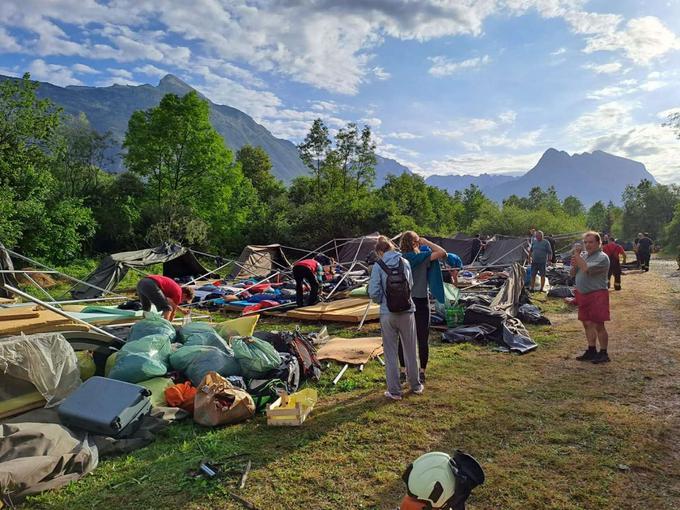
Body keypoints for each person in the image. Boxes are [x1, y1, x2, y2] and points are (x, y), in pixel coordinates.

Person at [368, 235, 424, 400]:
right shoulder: (404, 262)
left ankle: (394, 391)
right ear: (392, 247)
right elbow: (410, 285)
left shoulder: (378, 266)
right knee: (411, 349)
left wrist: (383, 301)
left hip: (388, 313)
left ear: (379, 251)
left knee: (391, 353)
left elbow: (373, 292)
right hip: (407, 311)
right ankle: (416, 385)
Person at [398, 232, 446, 384]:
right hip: (420, 301)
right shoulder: (421, 257)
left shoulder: (399, 258)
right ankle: (422, 371)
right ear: (414, 243)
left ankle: (403, 371)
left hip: (403, 300)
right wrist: (427, 242)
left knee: (403, 338)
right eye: (417, 241)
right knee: (422, 338)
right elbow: (442, 253)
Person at [571, 232, 611, 363]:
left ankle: (604, 353)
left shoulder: (602, 257)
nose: (588, 245)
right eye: (585, 242)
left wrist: (577, 256)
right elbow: (572, 273)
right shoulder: (584, 256)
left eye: (591, 242)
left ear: (598, 243)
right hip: (583, 295)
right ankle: (591, 350)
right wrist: (575, 263)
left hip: (597, 294)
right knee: (587, 324)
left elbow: (586, 269)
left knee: (599, 325)